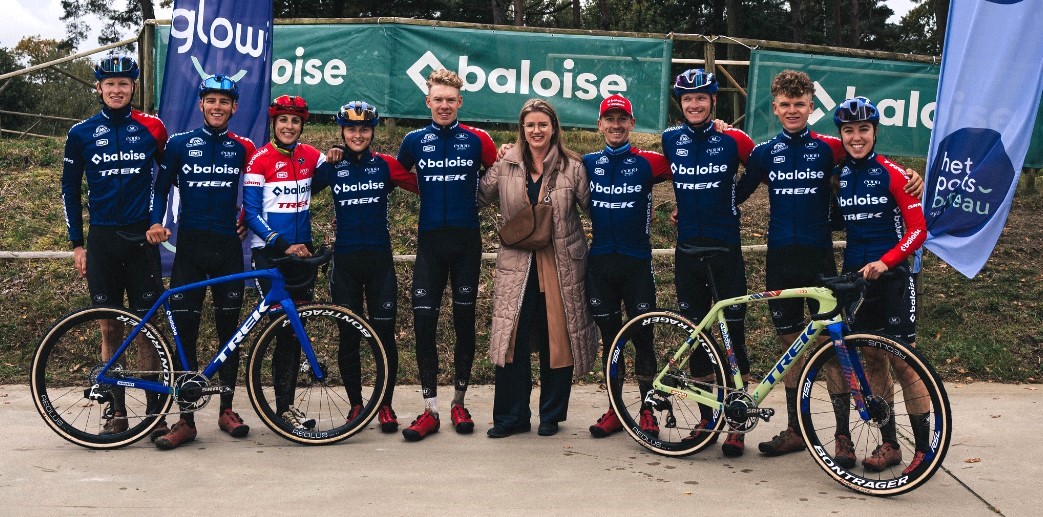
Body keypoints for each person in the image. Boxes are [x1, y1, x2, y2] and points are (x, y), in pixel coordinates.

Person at [736, 70, 923, 458]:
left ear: (810, 107)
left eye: (799, 104)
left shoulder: (829, 149)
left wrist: (913, 177)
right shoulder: (763, 152)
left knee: (833, 346)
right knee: (790, 347)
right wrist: (681, 214)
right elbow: (734, 193)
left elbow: (872, 160)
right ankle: (795, 430)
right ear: (774, 108)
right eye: (785, 105)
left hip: (822, 262)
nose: (792, 111)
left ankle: (849, 437)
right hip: (780, 260)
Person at [145, 74, 255, 449]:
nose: (218, 107)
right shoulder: (179, 145)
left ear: (234, 107)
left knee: (231, 332)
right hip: (189, 251)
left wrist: (247, 219)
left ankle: (227, 409)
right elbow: (160, 189)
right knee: (185, 334)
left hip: (227, 249)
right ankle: (186, 419)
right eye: (211, 100)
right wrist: (157, 221)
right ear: (201, 104)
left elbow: (261, 189)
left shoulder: (244, 147)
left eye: (225, 101)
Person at [60, 53, 167, 434]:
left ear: (134, 87)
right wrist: (77, 244)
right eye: (110, 84)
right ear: (99, 88)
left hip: (141, 238)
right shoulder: (81, 133)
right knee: (109, 326)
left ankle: (155, 412)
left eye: (124, 83)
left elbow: (165, 180)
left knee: (147, 326)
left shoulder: (153, 128)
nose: (117, 90)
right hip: (102, 239)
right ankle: (116, 410)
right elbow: (69, 190)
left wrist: (157, 220)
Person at [478, 99, 598, 438]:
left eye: (542, 124)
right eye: (530, 125)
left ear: (554, 128)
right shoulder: (506, 164)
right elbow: (479, 195)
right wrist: (487, 158)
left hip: (560, 263)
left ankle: (551, 415)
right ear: (521, 129)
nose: (536, 131)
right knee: (511, 339)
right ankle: (510, 417)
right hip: (517, 263)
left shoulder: (572, 166)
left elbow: (594, 207)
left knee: (556, 338)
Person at [395, 69, 497, 441]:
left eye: (450, 99)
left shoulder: (477, 139)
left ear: (460, 102)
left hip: (467, 243)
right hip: (430, 246)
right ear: (428, 101)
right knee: (424, 325)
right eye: (437, 99)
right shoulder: (414, 140)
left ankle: (459, 401)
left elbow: (500, 173)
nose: (443, 105)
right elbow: (394, 172)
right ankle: (430, 409)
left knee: (464, 322)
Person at [831, 96, 930, 474]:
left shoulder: (894, 173)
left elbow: (918, 230)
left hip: (893, 277)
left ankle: (922, 450)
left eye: (864, 130)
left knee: (906, 363)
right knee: (872, 361)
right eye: (849, 130)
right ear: (841, 134)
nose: (856, 137)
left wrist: (886, 261)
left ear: (875, 131)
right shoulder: (841, 173)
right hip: (857, 278)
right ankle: (890, 444)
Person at [661, 69, 755, 456]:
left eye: (701, 98)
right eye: (688, 99)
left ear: (713, 101)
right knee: (696, 338)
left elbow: (762, 167)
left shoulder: (733, 138)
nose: (695, 105)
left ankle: (737, 421)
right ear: (680, 105)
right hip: (687, 255)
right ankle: (706, 419)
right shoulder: (670, 140)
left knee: (734, 337)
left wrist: (733, 197)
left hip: (725, 253)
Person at [311, 101, 419, 433]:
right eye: (351, 129)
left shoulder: (385, 165)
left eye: (364, 129)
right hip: (344, 263)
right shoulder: (332, 166)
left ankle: (384, 405)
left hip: (379, 263)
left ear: (372, 132)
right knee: (349, 336)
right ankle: (357, 404)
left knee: (384, 336)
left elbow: (425, 185)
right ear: (341, 132)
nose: (358, 135)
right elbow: (295, 190)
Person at [581, 94, 672, 439]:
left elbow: (689, 171)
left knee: (643, 339)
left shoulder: (649, 162)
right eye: (610, 119)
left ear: (632, 124)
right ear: (600, 124)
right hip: (601, 265)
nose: (616, 125)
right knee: (610, 340)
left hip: (637, 265)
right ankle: (615, 409)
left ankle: (647, 410)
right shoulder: (587, 163)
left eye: (623, 119)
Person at [242, 94, 325, 429]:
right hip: (271, 254)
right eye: (283, 121)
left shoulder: (310, 156)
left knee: (295, 331)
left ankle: (285, 408)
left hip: (302, 255)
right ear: (273, 124)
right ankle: (281, 406)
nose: (289, 126)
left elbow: (338, 169)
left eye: (295, 121)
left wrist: (334, 157)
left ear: (302, 125)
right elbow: (250, 213)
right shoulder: (259, 159)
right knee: (283, 329)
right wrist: (281, 244)